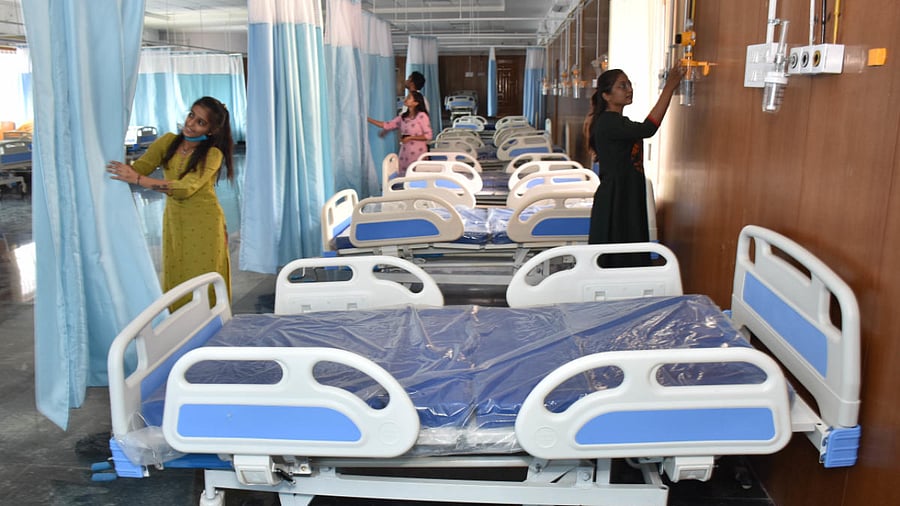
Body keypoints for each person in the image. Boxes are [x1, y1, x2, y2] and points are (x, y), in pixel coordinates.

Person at [107, 96, 234, 309]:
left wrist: (138, 180)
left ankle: (210, 330)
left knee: (203, 276)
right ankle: (179, 328)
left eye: (201, 122)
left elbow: (185, 188)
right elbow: (141, 168)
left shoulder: (213, 154)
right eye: (191, 115)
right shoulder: (167, 142)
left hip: (205, 223)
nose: (191, 124)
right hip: (175, 221)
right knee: (176, 273)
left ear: (210, 130)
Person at [587, 67, 682, 267]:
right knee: (617, 254)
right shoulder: (608, 123)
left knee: (628, 251)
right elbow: (648, 129)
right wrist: (669, 88)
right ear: (606, 95)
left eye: (629, 84)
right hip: (616, 196)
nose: (629, 89)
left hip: (626, 192)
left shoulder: (616, 121)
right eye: (622, 86)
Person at [367, 90, 432, 176]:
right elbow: (387, 125)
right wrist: (368, 119)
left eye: (409, 98)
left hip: (418, 152)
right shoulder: (403, 117)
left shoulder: (422, 116)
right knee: (404, 176)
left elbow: (428, 135)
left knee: (416, 176)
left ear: (416, 103)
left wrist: (411, 138)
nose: (406, 99)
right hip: (405, 152)